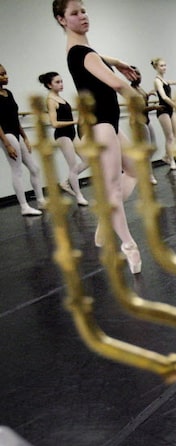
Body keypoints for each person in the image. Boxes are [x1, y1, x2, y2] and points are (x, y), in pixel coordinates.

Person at [53, 0, 143, 274]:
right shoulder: (80, 51)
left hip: (107, 123)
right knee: (114, 187)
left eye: (83, 10)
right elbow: (116, 84)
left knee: (135, 171)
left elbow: (96, 58)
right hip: (100, 125)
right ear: (61, 20)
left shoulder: (81, 51)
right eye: (74, 13)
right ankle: (128, 245)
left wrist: (117, 61)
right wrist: (138, 97)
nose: (82, 16)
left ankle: (106, 213)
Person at [0, 64, 47, 216]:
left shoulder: (8, 93)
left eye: (5, 73)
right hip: (6, 135)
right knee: (17, 170)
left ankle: (40, 200)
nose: (5, 76)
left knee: (34, 168)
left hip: (16, 133)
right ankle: (24, 206)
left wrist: (25, 137)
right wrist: (7, 144)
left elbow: (15, 117)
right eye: (1, 74)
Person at [39, 70, 89, 205]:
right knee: (73, 166)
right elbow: (54, 123)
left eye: (61, 81)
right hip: (62, 135)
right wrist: (74, 122)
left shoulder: (60, 98)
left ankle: (66, 182)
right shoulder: (50, 101)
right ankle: (79, 196)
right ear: (49, 85)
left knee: (88, 159)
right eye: (57, 82)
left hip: (71, 133)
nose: (61, 84)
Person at [151, 57, 176, 171]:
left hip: (170, 110)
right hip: (163, 110)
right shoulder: (157, 80)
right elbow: (164, 97)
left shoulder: (163, 80)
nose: (164, 67)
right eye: (161, 66)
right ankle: (171, 160)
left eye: (165, 65)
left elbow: (167, 83)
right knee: (169, 137)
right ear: (156, 67)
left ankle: (166, 156)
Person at [130, 67, 160, 184]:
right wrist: (155, 107)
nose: (139, 76)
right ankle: (149, 175)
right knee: (147, 149)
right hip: (138, 121)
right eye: (136, 74)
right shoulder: (131, 89)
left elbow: (143, 100)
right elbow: (140, 108)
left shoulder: (139, 88)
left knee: (152, 147)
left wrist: (148, 94)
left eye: (139, 74)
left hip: (146, 119)